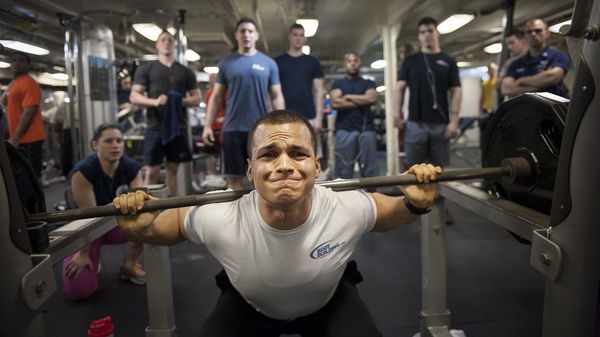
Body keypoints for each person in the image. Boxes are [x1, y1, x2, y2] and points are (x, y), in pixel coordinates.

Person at [114, 109, 441, 336]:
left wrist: (414, 202)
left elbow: (386, 213)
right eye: (269, 154)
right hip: (249, 305)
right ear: (250, 169)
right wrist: (144, 229)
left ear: (317, 165)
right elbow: (175, 225)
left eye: (298, 154)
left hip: (328, 301)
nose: (284, 165)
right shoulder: (223, 214)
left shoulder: (343, 203)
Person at [62, 123, 145, 300]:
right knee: (79, 291)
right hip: (88, 230)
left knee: (146, 224)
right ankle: (92, 257)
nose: (115, 145)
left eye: (119, 141)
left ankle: (128, 266)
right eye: (108, 141)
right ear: (95, 145)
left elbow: (139, 208)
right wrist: (83, 254)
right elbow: (89, 217)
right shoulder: (83, 172)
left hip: (116, 224)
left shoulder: (132, 168)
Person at [202, 17, 285, 191]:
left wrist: (283, 126)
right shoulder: (226, 63)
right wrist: (207, 126)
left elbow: (277, 96)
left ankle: (259, 218)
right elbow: (216, 97)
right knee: (234, 181)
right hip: (232, 129)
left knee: (261, 180)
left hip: (260, 131)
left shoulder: (269, 64)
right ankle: (239, 218)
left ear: (257, 35)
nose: (246, 34)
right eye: (242, 31)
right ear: (236, 35)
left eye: (250, 31)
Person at [130, 30, 202, 196]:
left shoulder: (185, 71)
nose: (167, 42)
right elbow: (134, 96)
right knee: (152, 170)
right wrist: (154, 102)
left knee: (173, 168)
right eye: (163, 40)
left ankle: (171, 208)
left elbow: (197, 98)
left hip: (178, 127)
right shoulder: (147, 69)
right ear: (157, 45)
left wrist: (178, 100)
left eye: (170, 40)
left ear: (174, 44)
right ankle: (149, 208)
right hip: (156, 126)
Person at [394, 17, 461, 167]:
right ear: (419, 36)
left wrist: (455, 121)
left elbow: (456, 91)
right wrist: (395, 113)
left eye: (430, 31)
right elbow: (399, 88)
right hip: (415, 124)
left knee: (438, 170)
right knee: (412, 168)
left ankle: (437, 192)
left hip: (440, 124)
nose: (426, 35)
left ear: (437, 33)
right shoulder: (410, 61)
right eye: (422, 32)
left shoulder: (448, 61)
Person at [330, 52, 378, 179]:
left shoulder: (368, 83)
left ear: (359, 63)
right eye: (349, 61)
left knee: (370, 171)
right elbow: (335, 102)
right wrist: (363, 101)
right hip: (344, 130)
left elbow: (372, 99)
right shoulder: (338, 83)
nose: (352, 63)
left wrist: (348, 96)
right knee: (343, 172)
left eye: (355, 60)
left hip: (366, 130)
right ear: (344, 64)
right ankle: (343, 199)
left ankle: (372, 198)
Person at [0, 52, 47, 177]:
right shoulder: (15, 84)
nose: (16, 63)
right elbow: (3, 102)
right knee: (20, 176)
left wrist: (15, 138)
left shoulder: (29, 83)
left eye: (21, 61)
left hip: (29, 138)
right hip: (20, 138)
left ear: (28, 65)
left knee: (31, 177)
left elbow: (29, 113)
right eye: (14, 60)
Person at [500, 18, 570, 98]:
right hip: (525, 108)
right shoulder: (515, 63)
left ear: (547, 33)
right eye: (529, 32)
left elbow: (553, 76)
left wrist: (520, 81)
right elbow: (506, 89)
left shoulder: (557, 56)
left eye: (538, 30)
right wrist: (544, 85)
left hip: (551, 108)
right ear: (525, 36)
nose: (533, 34)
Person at [275, 23, 324, 131]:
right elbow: (272, 93)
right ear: (289, 37)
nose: (298, 38)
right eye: (295, 35)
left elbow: (319, 91)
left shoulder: (312, 62)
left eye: (301, 35)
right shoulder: (278, 62)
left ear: (305, 38)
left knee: (309, 148)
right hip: (284, 118)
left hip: (308, 117)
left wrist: (319, 118)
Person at [201, 73, 226, 189]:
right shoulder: (209, 93)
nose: (213, 81)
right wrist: (208, 124)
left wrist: (223, 119)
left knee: (222, 153)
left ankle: (222, 175)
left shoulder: (225, 93)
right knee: (210, 152)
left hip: (222, 128)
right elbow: (208, 109)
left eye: (215, 79)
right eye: (211, 79)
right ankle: (211, 174)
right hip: (211, 127)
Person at [495, 30, 528, 99]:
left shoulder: (539, 57)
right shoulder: (510, 62)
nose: (509, 47)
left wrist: (517, 83)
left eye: (512, 43)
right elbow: (498, 86)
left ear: (523, 41)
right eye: (508, 44)